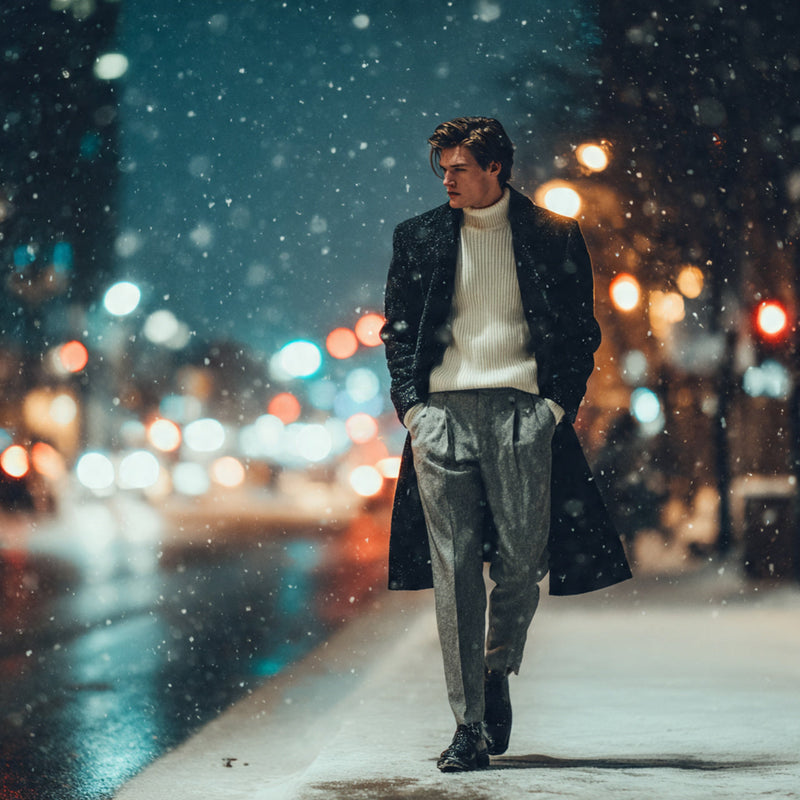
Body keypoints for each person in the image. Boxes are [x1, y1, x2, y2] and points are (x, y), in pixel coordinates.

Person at [380, 116, 631, 772]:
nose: (447, 178)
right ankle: (467, 726)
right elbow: (399, 331)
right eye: (442, 168)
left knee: (523, 558)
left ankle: (495, 668)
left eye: (459, 167)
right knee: (455, 567)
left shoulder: (552, 235)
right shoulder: (421, 237)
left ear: (495, 167)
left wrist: (553, 407)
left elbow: (581, 331)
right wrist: (413, 410)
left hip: (523, 412)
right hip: (442, 418)